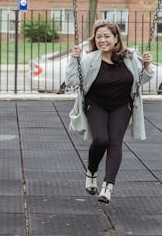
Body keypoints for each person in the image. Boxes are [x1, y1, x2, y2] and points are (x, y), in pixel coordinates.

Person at [65, 20, 153, 204]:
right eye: (98, 37)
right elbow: (72, 80)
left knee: (115, 142)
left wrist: (146, 66)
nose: (102, 40)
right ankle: (91, 171)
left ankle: (108, 186)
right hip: (96, 104)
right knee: (101, 140)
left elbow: (142, 80)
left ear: (115, 39)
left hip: (122, 106)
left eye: (107, 36)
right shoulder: (89, 59)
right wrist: (74, 59)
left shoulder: (129, 58)